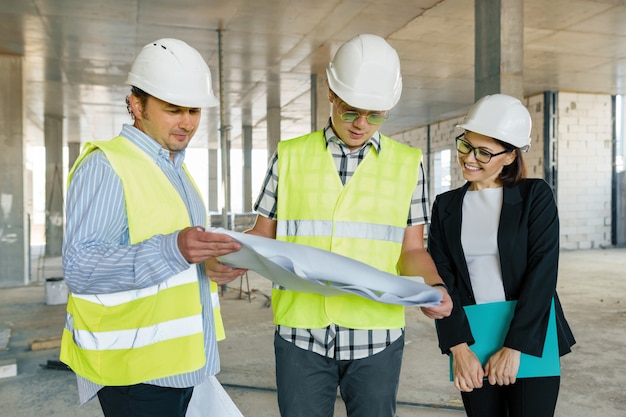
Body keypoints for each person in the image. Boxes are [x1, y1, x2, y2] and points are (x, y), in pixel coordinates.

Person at [208, 33, 452, 417]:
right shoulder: (289, 157)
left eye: (375, 115)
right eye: (351, 111)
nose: (361, 124)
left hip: (376, 336)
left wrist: (433, 287)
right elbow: (262, 236)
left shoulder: (408, 163)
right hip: (301, 334)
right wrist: (227, 258)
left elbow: (412, 249)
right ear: (332, 93)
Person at [60, 38, 244, 417]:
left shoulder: (175, 168)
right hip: (135, 374)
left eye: (194, 110)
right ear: (135, 104)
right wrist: (174, 249)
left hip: (182, 363)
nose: (188, 122)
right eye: (173, 109)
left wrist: (205, 265)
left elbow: (172, 255)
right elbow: (81, 267)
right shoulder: (107, 166)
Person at [427, 93, 576, 417]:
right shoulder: (446, 206)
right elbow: (442, 279)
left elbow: (542, 274)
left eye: (484, 152)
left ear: (510, 156)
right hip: (471, 340)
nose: (469, 158)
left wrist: (515, 347)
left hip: (530, 338)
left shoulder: (535, 196)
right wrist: (458, 348)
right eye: (465, 145)